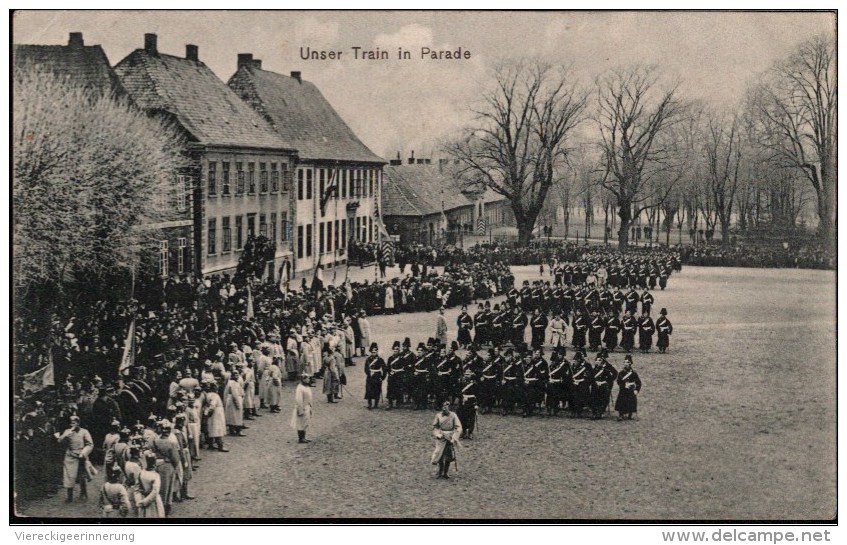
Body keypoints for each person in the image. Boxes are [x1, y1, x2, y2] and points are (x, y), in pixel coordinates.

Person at [56, 415, 93, 503]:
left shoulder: (84, 432)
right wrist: (65, 435)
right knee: (69, 475)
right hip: (70, 456)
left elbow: (90, 444)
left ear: (78, 423)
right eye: (71, 423)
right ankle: (69, 496)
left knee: (82, 475)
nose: (72, 424)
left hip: (81, 455)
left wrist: (84, 453)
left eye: (74, 423)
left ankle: (83, 493)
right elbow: (59, 442)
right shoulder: (67, 431)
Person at [431, 401, 462, 479]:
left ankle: (446, 472)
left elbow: (458, 427)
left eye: (446, 406)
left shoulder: (453, 416)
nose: (444, 408)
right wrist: (437, 434)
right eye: (443, 406)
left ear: (449, 407)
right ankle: (440, 471)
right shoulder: (438, 415)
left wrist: (454, 437)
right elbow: (435, 427)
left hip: (449, 438)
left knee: (448, 455)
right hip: (441, 438)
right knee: (439, 454)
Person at [136, 451, 165, 518]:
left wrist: (139, 501)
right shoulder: (155, 475)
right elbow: (155, 492)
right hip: (153, 501)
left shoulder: (141, 473)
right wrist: (145, 502)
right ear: (154, 463)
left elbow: (137, 488)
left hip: (143, 498)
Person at [615, 355, 642, 420]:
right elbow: (618, 381)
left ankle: (630, 414)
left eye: (627, 362)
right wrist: (624, 385)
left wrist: (636, 390)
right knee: (621, 401)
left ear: (630, 363)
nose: (625, 364)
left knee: (631, 401)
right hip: (623, 390)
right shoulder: (621, 373)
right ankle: (620, 414)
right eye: (624, 362)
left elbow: (638, 382)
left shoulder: (633, 373)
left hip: (631, 389)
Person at [291, 374, 313, 443]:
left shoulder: (306, 387)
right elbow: (299, 400)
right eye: (307, 378)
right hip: (302, 407)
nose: (309, 380)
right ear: (303, 379)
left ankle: (304, 437)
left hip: (307, 407)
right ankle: (301, 438)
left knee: (305, 422)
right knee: (300, 423)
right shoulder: (299, 388)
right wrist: (300, 410)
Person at [364, 343, 387, 409]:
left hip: (377, 376)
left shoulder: (380, 359)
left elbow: (384, 369)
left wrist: (382, 377)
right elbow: (366, 368)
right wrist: (368, 373)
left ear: (377, 352)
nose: (373, 353)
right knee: (369, 390)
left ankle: (376, 404)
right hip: (370, 377)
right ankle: (369, 404)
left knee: (377, 390)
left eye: (375, 352)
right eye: (372, 352)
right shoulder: (368, 359)